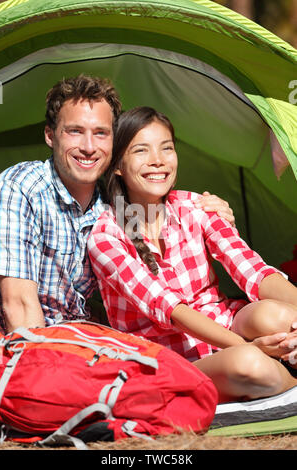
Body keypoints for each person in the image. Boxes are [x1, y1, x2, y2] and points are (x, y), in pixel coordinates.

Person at [87, 106, 297, 403]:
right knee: (248, 365)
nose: (157, 161)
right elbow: (172, 311)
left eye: (167, 148)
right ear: (118, 164)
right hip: (168, 357)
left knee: (279, 315)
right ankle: (288, 383)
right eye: (141, 151)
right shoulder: (105, 236)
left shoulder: (196, 206)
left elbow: (250, 268)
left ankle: (278, 363)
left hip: (223, 321)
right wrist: (247, 347)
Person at [0, 75, 234, 333]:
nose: (89, 147)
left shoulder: (114, 205)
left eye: (101, 133)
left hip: (85, 340)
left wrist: (210, 211)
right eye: (75, 131)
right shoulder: (21, 188)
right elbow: (18, 306)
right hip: (27, 347)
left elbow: (153, 286)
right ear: (50, 136)